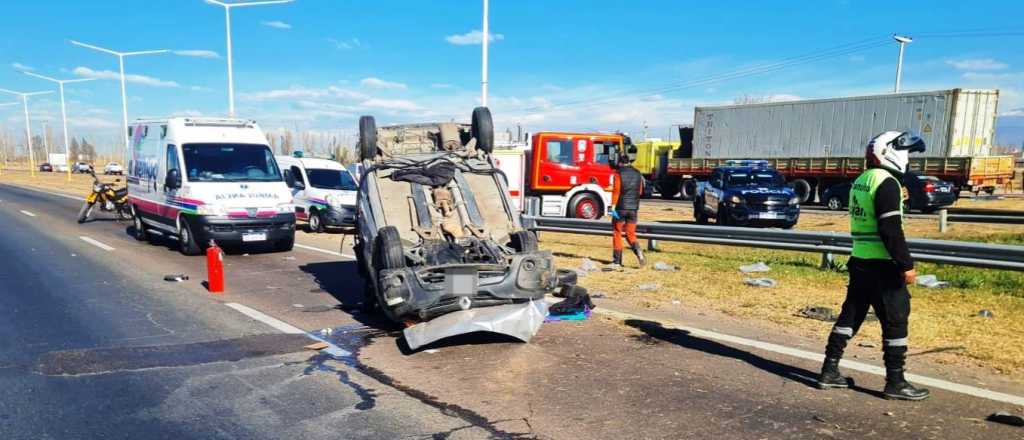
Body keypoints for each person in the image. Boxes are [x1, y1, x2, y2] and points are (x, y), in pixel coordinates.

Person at [817, 131, 930, 401]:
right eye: (906, 153)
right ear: (890, 152)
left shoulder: (863, 180)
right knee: (895, 321)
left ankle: (829, 371)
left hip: (860, 261)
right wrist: (906, 265)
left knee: (851, 316)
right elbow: (890, 228)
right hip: (883, 264)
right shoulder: (887, 182)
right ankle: (896, 381)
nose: (908, 159)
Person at [609, 140, 645, 267]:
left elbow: (616, 192)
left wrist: (611, 208)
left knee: (617, 232)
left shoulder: (618, 174)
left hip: (620, 209)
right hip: (633, 209)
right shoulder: (637, 173)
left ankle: (617, 261)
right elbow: (640, 191)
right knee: (630, 233)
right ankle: (639, 252)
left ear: (620, 162)